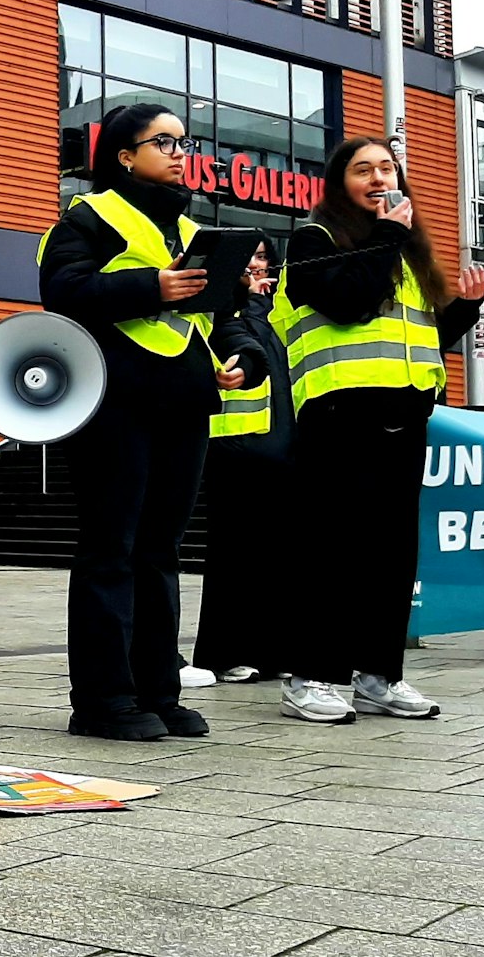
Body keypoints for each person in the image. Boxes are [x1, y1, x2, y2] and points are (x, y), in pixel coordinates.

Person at [38, 103, 266, 741]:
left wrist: (236, 358)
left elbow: (227, 314)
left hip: (184, 402)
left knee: (160, 552)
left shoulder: (194, 230)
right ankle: (105, 700)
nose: (176, 151)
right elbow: (63, 292)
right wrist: (151, 287)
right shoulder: (87, 219)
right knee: (112, 550)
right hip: (115, 403)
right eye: (161, 141)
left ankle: (157, 691)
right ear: (123, 155)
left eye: (181, 141)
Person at [270, 137, 484, 723]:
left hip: (403, 418)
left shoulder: (407, 253)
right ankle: (310, 675)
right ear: (339, 183)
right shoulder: (315, 239)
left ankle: (378, 674)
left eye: (385, 168)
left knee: (391, 554)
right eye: (361, 170)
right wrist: (391, 236)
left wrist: (463, 310)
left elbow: (415, 338)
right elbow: (346, 305)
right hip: (339, 417)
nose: (376, 178)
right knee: (332, 549)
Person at [191, 234, 290, 685]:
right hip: (234, 444)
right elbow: (237, 339)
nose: (258, 265)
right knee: (233, 553)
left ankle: (271, 651)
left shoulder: (280, 308)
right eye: (250, 257)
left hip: (280, 443)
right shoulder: (224, 308)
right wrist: (250, 301)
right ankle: (223, 652)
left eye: (265, 257)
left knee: (275, 553)